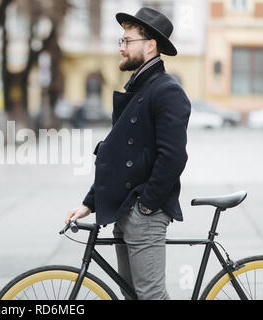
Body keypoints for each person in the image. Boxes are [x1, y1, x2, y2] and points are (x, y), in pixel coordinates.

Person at [65, 7, 191, 300]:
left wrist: (146, 206)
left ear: (150, 45)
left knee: (150, 295)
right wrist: (89, 204)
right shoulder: (138, 88)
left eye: (127, 41)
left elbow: (173, 158)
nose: (120, 47)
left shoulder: (167, 91)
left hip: (144, 213)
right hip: (126, 210)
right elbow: (118, 156)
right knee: (132, 295)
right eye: (120, 41)